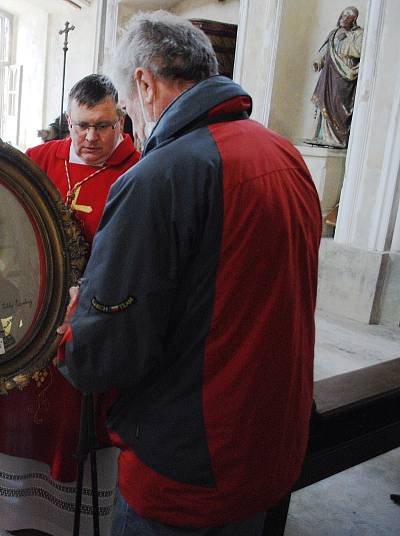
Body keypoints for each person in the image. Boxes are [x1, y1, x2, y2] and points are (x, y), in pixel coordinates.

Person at [59, 11, 322, 536]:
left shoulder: (161, 175)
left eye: (127, 109)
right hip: (270, 443)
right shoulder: (284, 153)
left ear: (144, 83)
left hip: (188, 463)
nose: (131, 118)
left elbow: (106, 352)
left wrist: (75, 327)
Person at [0, 74, 140, 535]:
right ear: (69, 119)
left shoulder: (137, 171)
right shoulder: (36, 160)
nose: (90, 137)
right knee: (21, 413)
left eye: (103, 126)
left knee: (74, 424)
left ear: (120, 120)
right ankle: (16, 512)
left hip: (88, 326)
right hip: (26, 320)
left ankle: (71, 520)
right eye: (82, 125)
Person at [309, 6, 363, 148]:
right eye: (343, 15)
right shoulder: (334, 33)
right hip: (328, 74)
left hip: (344, 75)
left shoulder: (358, 34)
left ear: (353, 20)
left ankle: (336, 139)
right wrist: (318, 61)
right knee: (324, 101)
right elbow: (325, 50)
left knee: (337, 101)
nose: (344, 19)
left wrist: (347, 39)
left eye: (348, 17)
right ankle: (322, 135)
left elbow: (359, 51)